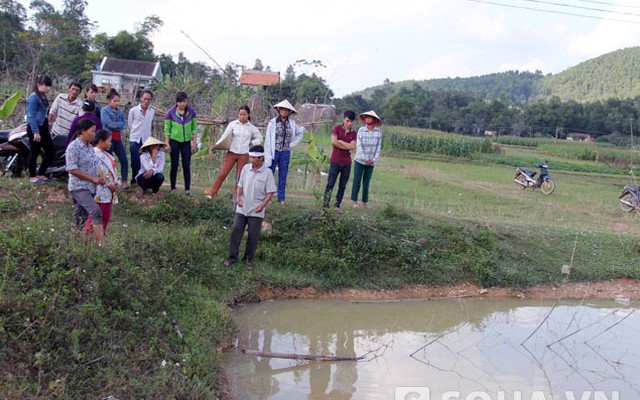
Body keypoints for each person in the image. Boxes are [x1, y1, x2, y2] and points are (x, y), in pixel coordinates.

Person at [224, 145, 276, 270]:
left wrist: (262, 205)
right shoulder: (246, 169)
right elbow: (240, 185)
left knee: (253, 236)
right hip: (242, 207)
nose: (251, 160)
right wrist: (238, 197)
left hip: (256, 210)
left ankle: (248, 259)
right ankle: (231, 258)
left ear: (260, 158)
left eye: (254, 158)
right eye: (250, 157)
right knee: (236, 231)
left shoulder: (267, 173)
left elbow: (270, 192)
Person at [204, 105, 262, 198]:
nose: (242, 116)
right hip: (232, 152)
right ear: (238, 114)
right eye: (240, 114)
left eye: (244, 114)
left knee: (239, 177)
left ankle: (237, 196)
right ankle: (213, 192)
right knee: (223, 173)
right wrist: (216, 145)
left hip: (244, 154)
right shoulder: (233, 124)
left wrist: (252, 143)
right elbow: (224, 136)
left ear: (248, 115)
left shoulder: (251, 128)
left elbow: (260, 138)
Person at [65, 119, 106, 243]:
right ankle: (102, 244)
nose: (94, 134)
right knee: (95, 211)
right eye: (92, 131)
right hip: (79, 187)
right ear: (83, 131)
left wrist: (100, 177)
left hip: (91, 187)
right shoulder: (74, 147)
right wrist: (93, 178)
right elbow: (72, 169)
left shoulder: (90, 148)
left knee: (80, 218)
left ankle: (74, 244)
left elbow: (92, 166)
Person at [264, 99, 305, 204]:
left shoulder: (292, 124)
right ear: (279, 110)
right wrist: (267, 154)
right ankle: (267, 198)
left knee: (283, 175)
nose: (284, 112)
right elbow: (268, 140)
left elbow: (300, 133)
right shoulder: (272, 123)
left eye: (286, 110)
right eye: (282, 110)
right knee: (270, 174)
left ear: (289, 112)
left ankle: (281, 198)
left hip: (285, 152)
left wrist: (292, 144)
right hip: (274, 151)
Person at [85, 129, 120, 236]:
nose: (110, 143)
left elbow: (113, 172)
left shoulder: (108, 156)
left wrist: (116, 183)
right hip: (99, 192)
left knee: (104, 220)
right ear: (101, 141)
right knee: (95, 220)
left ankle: (99, 242)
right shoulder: (94, 155)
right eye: (108, 141)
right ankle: (87, 242)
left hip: (108, 194)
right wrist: (110, 185)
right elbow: (100, 173)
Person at [164, 91, 198, 195]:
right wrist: (167, 143)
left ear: (187, 101)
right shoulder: (170, 113)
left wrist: (194, 142)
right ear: (177, 103)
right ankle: (173, 188)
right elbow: (167, 129)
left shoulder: (192, 113)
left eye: (184, 101)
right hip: (174, 141)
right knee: (174, 165)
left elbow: (194, 128)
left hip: (186, 142)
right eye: (180, 102)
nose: (182, 104)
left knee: (186, 165)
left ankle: (187, 190)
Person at [323, 110, 357, 209]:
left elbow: (352, 147)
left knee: (342, 186)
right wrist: (347, 146)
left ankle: (337, 205)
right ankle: (326, 204)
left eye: (350, 121)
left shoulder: (354, 134)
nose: (348, 123)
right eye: (347, 121)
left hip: (346, 163)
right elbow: (333, 142)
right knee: (330, 184)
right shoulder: (337, 128)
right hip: (335, 161)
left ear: (353, 122)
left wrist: (341, 141)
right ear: (343, 119)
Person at [351, 110, 383, 209]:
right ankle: (355, 201)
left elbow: (378, 147)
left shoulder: (378, 132)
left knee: (366, 182)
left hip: (371, 162)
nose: (367, 119)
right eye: (366, 117)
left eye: (370, 117)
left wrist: (373, 160)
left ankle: (365, 202)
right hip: (360, 160)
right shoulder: (361, 130)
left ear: (374, 120)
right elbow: (359, 146)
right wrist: (365, 159)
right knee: (357, 181)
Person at [25, 74, 53, 184]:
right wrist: (35, 132)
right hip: (35, 127)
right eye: (45, 85)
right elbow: (31, 116)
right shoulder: (33, 98)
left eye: (49, 86)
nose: (47, 88)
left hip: (44, 126)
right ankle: (32, 176)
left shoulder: (43, 96)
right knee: (34, 152)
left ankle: (41, 173)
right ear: (38, 84)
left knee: (51, 152)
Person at [101, 89, 129, 188]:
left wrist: (118, 125)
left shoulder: (120, 111)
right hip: (108, 139)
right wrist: (119, 125)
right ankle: (109, 181)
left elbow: (125, 124)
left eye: (118, 101)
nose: (117, 103)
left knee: (124, 160)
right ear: (109, 101)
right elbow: (109, 124)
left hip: (118, 139)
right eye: (115, 101)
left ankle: (124, 181)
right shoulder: (104, 111)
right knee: (109, 161)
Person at [128, 89, 155, 188]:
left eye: (149, 99)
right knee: (135, 160)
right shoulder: (133, 111)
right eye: (145, 99)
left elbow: (149, 125)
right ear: (141, 99)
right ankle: (133, 179)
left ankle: (143, 182)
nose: (146, 101)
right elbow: (130, 124)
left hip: (146, 140)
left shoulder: (152, 111)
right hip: (135, 138)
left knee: (144, 160)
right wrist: (135, 133)